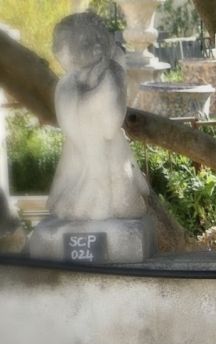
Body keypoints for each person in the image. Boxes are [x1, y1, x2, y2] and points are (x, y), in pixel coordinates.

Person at [48, 12, 148, 221]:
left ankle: (97, 200)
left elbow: (110, 126)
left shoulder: (112, 73)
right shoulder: (67, 85)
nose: (63, 59)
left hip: (107, 153)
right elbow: (69, 125)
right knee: (70, 202)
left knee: (110, 199)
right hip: (80, 152)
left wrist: (93, 94)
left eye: (65, 49)